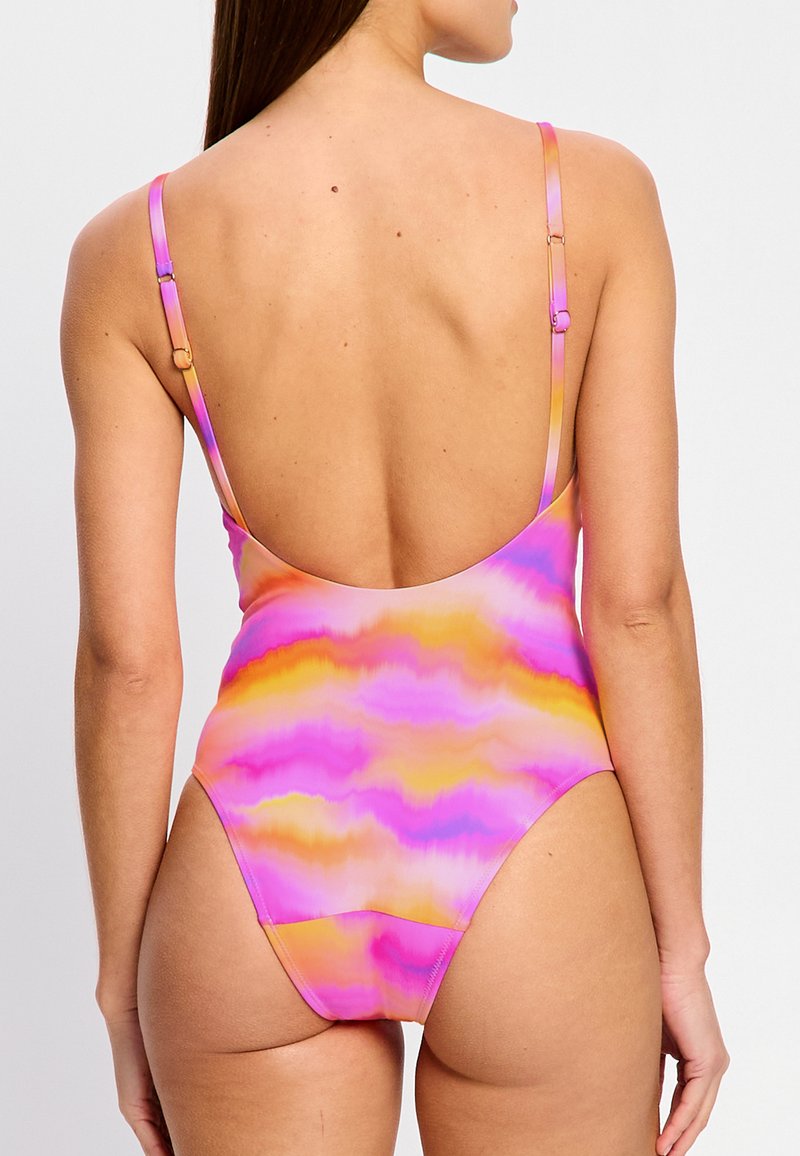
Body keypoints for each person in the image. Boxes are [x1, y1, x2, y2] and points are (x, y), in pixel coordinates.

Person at [60, 1, 729, 1153]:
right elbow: (635, 606)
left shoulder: (138, 246)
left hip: (258, 856)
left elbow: (128, 662)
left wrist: (122, 985)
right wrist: (680, 945)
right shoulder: (588, 196)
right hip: (531, 842)